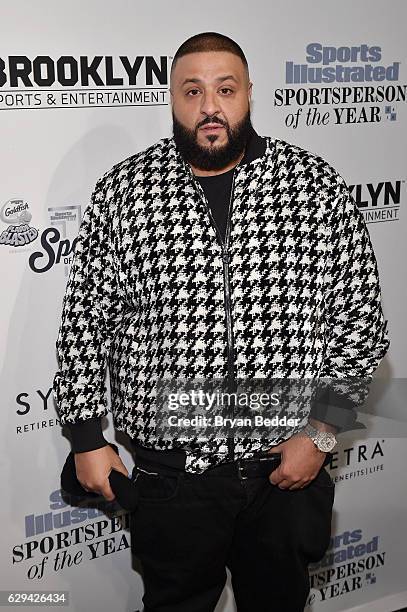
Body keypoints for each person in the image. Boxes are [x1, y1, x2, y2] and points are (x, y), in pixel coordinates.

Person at [53, 32, 390, 612]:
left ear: (249, 95)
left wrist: (321, 433)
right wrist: (86, 438)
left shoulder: (312, 187)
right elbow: (86, 321)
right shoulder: (125, 192)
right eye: (193, 91)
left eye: (225, 89)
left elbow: (360, 326)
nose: (210, 106)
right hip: (172, 476)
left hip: (285, 470)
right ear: (173, 101)